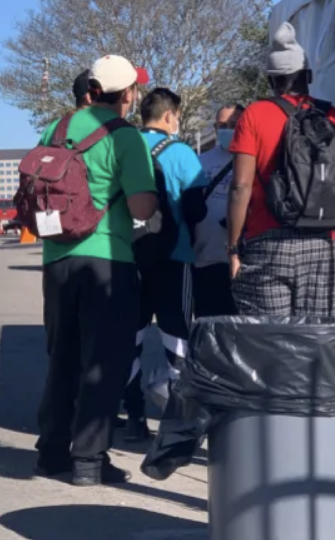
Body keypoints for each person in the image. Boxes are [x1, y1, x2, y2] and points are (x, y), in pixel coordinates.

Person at [34, 54, 158, 486]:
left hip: (56, 259)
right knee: (103, 362)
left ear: (90, 89)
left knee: (62, 357)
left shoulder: (58, 128)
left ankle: (51, 452)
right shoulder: (126, 137)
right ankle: (88, 460)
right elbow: (143, 207)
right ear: (127, 94)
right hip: (108, 258)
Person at [227, 22, 335, 317]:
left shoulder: (254, 115)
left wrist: (233, 249)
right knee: (314, 344)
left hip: (267, 245)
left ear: (271, 80)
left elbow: (240, 187)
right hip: (323, 247)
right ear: (308, 76)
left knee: (271, 344)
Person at [126, 88, 207, 434]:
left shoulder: (125, 148)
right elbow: (196, 209)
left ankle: (134, 418)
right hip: (175, 257)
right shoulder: (182, 153)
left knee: (132, 338)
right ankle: (176, 421)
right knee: (177, 337)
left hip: (129, 258)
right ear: (169, 116)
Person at [192, 104, 243, 317]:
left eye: (234, 125)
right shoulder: (200, 162)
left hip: (242, 259)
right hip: (204, 257)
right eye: (222, 125)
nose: (227, 130)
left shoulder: (252, 161)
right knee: (208, 323)